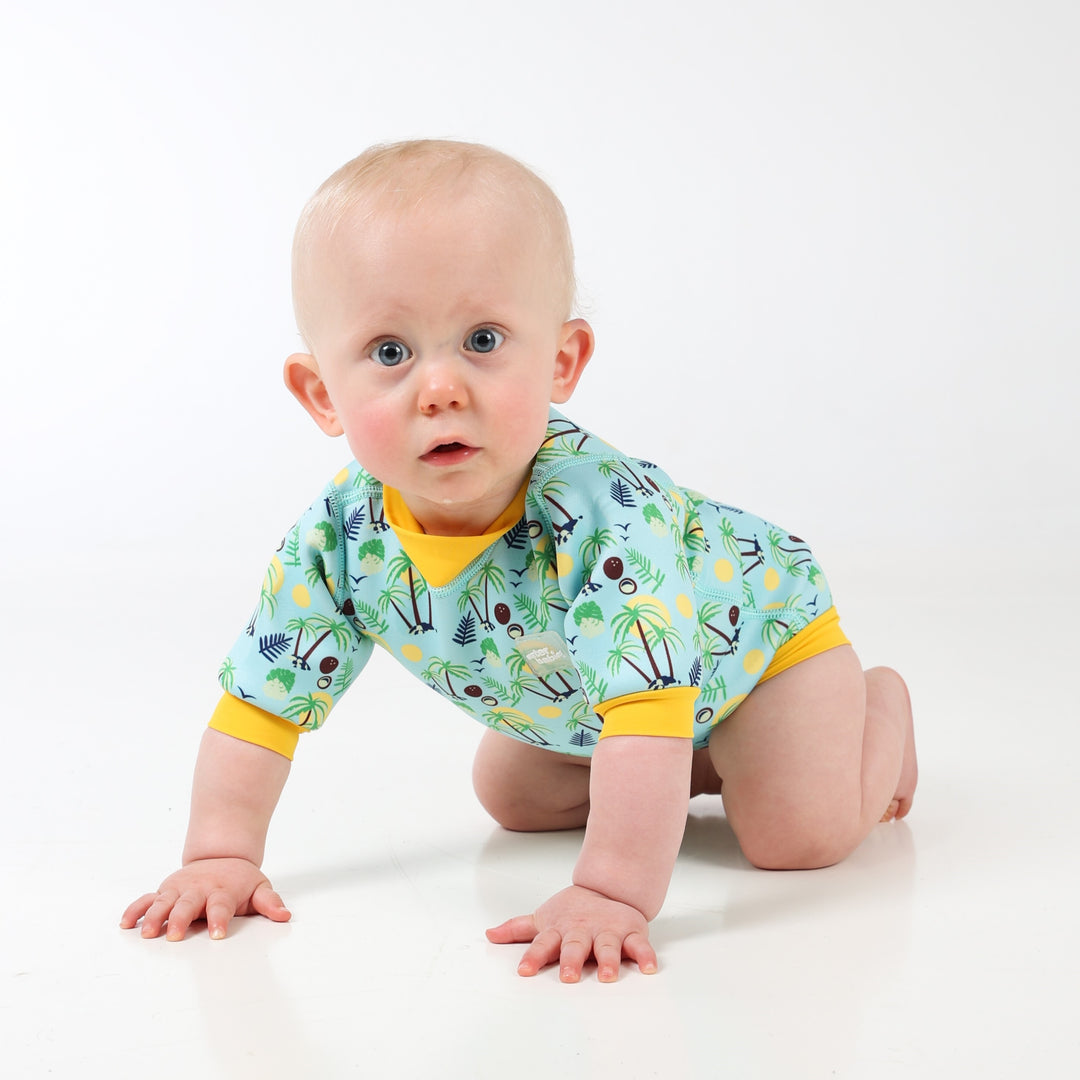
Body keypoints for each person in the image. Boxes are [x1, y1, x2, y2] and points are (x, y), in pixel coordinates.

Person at [121, 139, 917, 983]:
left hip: (762, 655)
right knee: (514, 796)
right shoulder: (338, 538)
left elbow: (646, 708)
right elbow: (261, 703)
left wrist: (612, 892)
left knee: (797, 837)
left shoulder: (605, 516)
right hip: (597, 703)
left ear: (562, 361)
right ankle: (700, 765)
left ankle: (878, 716)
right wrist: (218, 854)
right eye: (390, 352)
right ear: (322, 394)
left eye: (484, 339)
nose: (439, 388)